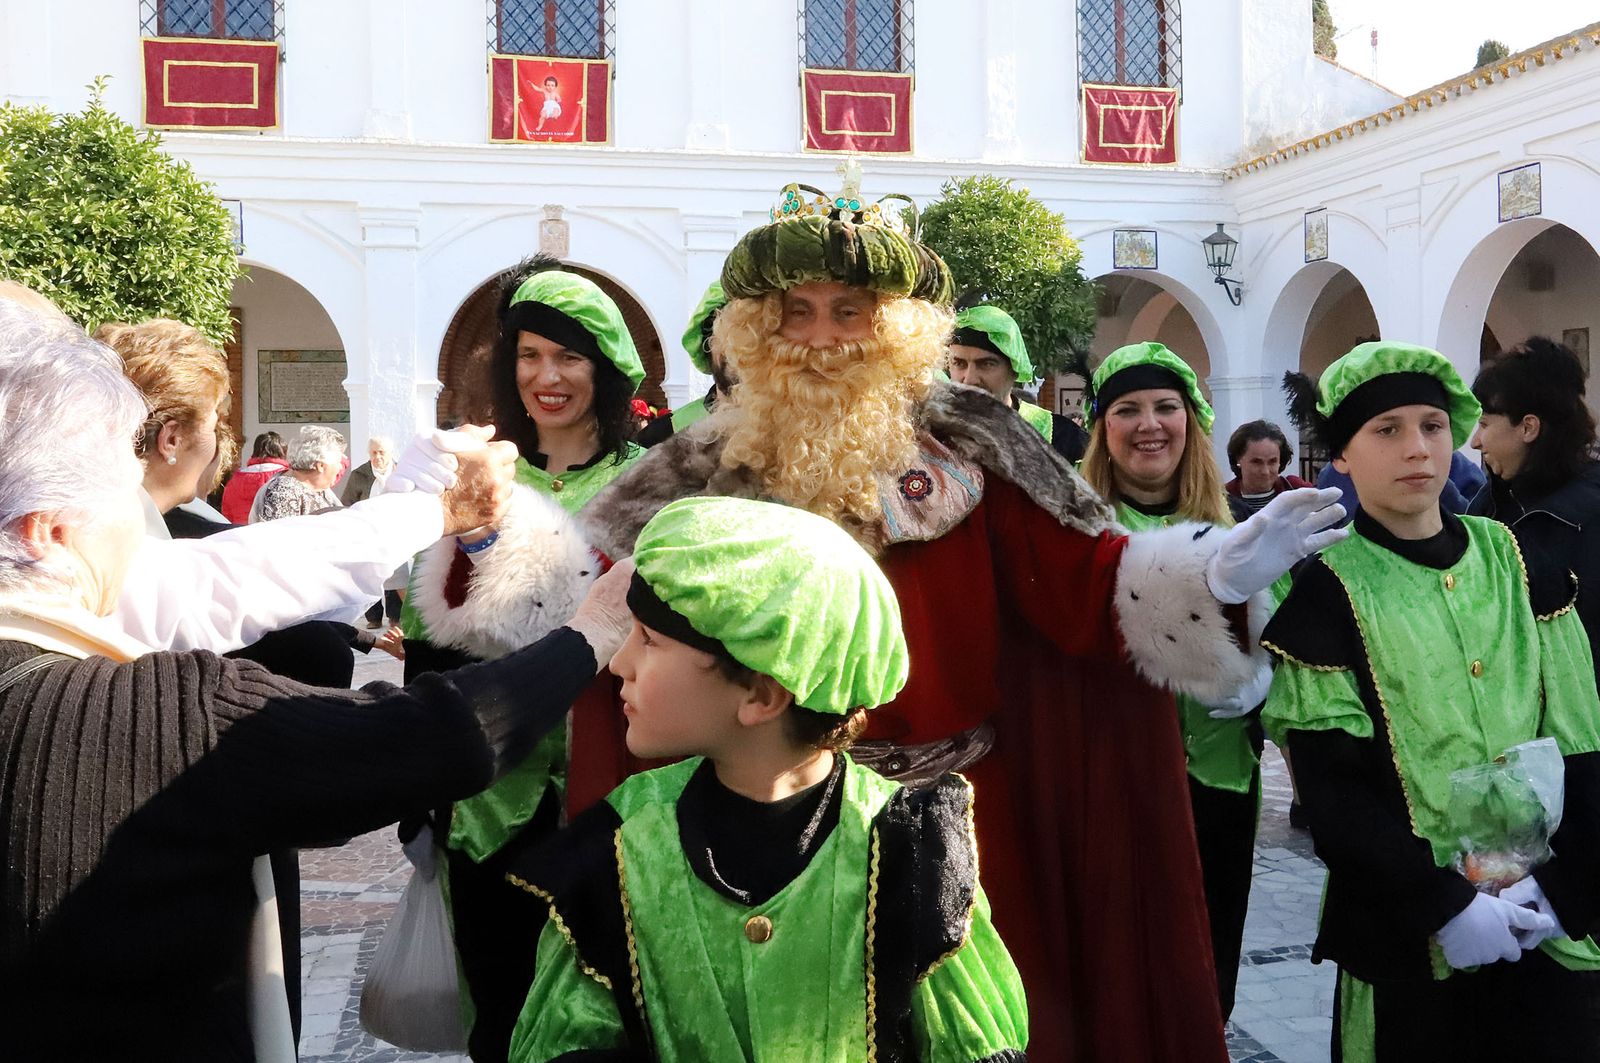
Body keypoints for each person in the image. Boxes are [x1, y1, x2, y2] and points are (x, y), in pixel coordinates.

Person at [561, 169, 1344, 1061]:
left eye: (849, 311)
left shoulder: (973, 442)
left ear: (893, 329)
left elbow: (1088, 582)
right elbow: (594, 614)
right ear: (756, 329)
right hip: (761, 832)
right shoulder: (700, 465)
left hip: (969, 829)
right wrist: (489, 553)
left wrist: (1216, 571)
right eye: (797, 311)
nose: (822, 338)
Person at [0, 304, 638, 1062]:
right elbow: (434, 735)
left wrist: (423, 496)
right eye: (121, 495)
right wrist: (589, 635)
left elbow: (232, 577)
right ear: (49, 529)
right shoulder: (163, 712)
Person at [507, 496, 1028, 1061]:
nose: (618, 663)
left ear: (761, 694)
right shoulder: (620, 844)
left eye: (650, 641)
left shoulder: (913, 851)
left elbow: (973, 1047)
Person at [1270, 342, 1600, 1061]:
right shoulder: (1329, 590)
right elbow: (1335, 794)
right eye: (1386, 429)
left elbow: (1583, 741)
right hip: (1412, 940)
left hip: (1542, 927)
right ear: (1345, 455)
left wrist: (1558, 889)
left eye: (1432, 424)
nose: (1417, 448)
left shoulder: (1517, 559)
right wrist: (1443, 905)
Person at [400, 255, 647, 1063]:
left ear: (604, 369)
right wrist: (423, 786)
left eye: (570, 356)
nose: (549, 376)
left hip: (619, 794)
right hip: (490, 801)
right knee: (501, 1009)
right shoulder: (482, 481)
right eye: (530, 355)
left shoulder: (653, 485)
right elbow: (431, 645)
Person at [1076, 341, 1277, 1020]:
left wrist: (1266, 682)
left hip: (1220, 783)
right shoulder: (1074, 527)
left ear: (1192, 420)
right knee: (1120, 979)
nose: (1150, 424)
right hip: (1113, 783)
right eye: (1127, 409)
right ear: (1103, 427)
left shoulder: (1236, 530)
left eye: (1166, 406)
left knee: (1206, 969)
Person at [1469, 337, 1600, 682]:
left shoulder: (1589, 516)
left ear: (1528, 427)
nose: (1474, 442)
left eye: (1484, 425)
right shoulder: (1488, 506)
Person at [948, 301, 1089, 461]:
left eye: (986, 364)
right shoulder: (931, 436)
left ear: (1014, 369)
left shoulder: (1061, 436)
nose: (969, 379)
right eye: (959, 363)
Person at [636, 281, 732, 447]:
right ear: (707, 345)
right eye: (731, 336)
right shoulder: (662, 436)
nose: (746, 351)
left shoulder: (791, 436)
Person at [252, 425, 347, 521]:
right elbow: (278, 533)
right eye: (338, 462)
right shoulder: (283, 492)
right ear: (320, 466)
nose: (340, 467)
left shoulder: (319, 489)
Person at [1226, 419, 1313, 514]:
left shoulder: (1296, 489)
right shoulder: (1220, 500)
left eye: (1272, 461)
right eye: (1256, 462)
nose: (1265, 471)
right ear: (1238, 459)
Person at [222, 432, 290, 524]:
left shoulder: (235, 479)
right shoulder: (285, 476)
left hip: (239, 531)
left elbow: (227, 512)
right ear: (282, 452)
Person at [342, 435, 395, 505]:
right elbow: (346, 504)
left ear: (391, 453)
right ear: (369, 453)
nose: (377, 457)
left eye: (381, 452)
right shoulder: (358, 475)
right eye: (374, 453)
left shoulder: (401, 472)